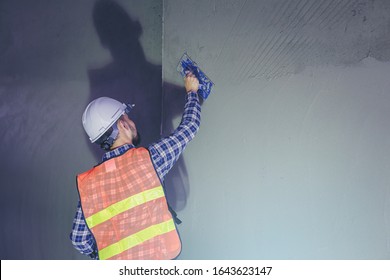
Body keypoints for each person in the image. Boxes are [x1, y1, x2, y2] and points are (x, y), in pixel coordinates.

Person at [70, 73, 201, 260]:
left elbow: (79, 240)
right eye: (128, 118)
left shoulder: (89, 185)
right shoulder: (149, 160)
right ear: (122, 125)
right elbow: (189, 127)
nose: (132, 122)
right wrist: (191, 91)